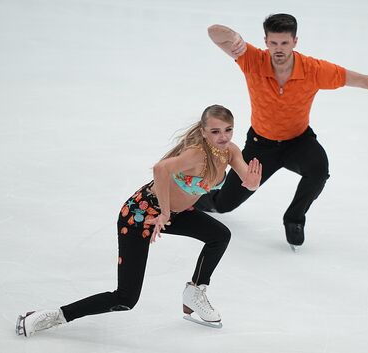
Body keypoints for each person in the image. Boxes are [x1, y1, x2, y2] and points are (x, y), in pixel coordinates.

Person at [16, 104, 262, 336]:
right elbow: (160, 169)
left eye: (228, 130)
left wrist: (251, 185)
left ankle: (195, 292)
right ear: (203, 131)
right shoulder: (196, 154)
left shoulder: (229, 151)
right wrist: (164, 213)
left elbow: (245, 176)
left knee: (220, 235)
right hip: (140, 215)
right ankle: (52, 316)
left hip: (174, 214)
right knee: (125, 299)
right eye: (215, 131)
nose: (223, 136)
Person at [197, 14, 368, 250]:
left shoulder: (313, 69)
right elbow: (213, 32)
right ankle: (197, 198)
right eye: (273, 43)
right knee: (223, 206)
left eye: (285, 43)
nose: (279, 49)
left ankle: (294, 219)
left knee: (319, 170)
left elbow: (363, 80)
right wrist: (234, 38)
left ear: (295, 41)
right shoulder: (252, 59)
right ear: (266, 41)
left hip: (298, 142)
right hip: (261, 146)